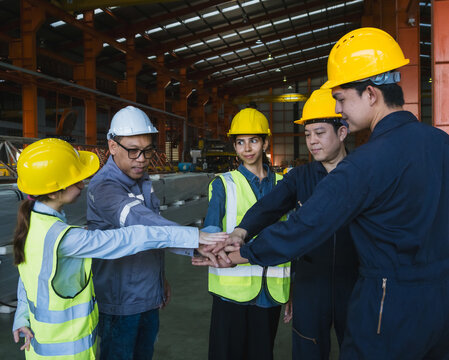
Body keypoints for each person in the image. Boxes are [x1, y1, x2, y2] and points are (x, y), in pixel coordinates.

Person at [209, 27, 449, 359]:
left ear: (369, 93)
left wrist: (244, 253)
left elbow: (304, 226)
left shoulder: (366, 163)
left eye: (340, 98)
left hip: (386, 302)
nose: (340, 109)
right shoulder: (441, 144)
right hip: (441, 300)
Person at [11, 138, 226, 359]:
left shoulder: (35, 224)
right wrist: (194, 235)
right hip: (69, 353)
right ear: (54, 192)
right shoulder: (66, 239)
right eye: (76, 181)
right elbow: (133, 237)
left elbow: (29, 279)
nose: (83, 185)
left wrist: (21, 317)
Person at [87, 106, 219, 360]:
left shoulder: (142, 181)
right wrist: (195, 238)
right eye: (133, 150)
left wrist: (160, 281)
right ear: (113, 147)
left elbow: (153, 237)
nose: (142, 158)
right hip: (120, 303)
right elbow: (143, 223)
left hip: (147, 295)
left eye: (147, 151)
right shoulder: (105, 187)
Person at [200, 108, 291, 360]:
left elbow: (293, 238)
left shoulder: (284, 185)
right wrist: (204, 247)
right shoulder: (223, 184)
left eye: (253, 140)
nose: (247, 148)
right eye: (240, 142)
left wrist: (293, 289)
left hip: (270, 292)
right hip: (232, 292)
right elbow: (210, 230)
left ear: (265, 143)